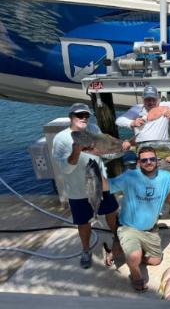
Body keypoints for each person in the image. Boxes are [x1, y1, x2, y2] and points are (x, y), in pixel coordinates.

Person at [52, 103, 119, 269]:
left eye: (86, 116)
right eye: (79, 115)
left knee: (111, 212)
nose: (83, 118)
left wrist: (120, 147)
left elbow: (104, 151)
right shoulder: (60, 139)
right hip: (77, 190)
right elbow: (64, 168)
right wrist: (76, 151)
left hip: (99, 182)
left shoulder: (94, 129)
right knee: (83, 222)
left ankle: (118, 238)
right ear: (70, 117)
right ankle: (86, 250)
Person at [106, 146, 170, 292]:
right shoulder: (130, 176)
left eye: (152, 159)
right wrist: (92, 170)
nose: (148, 162)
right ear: (139, 162)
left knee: (156, 260)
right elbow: (107, 185)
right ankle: (135, 274)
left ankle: (123, 250)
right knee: (135, 256)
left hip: (150, 230)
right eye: (144, 160)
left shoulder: (166, 177)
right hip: (129, 227)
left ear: (157, 161)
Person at [116, 85, 170, 221]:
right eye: (147, 99)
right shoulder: (136, 110)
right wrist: (132, 122)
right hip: (143, 157)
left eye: (153, 99)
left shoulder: (165, 105)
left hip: (163, 154)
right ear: (143, 99)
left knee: (168, 184)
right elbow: (119, 120)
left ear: (158, 99)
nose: (150, 102)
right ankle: (152, 213)